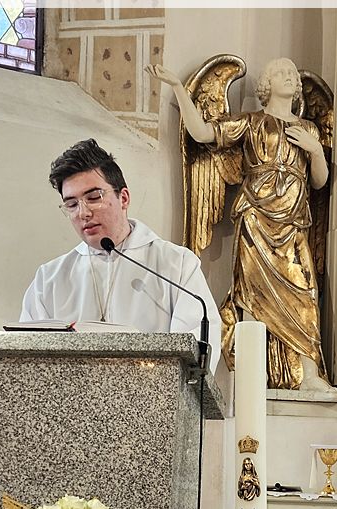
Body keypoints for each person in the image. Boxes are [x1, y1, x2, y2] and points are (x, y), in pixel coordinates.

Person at [147, 59, 337, 396]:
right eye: (281, 73)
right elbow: (202, 134)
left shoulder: (309, 130)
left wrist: (315, 151)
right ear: (266, 85)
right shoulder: (251, 122)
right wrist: (177, 87)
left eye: (292, 75)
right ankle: (252, 374)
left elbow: (320, 182)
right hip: (256, 218)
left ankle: (309, 375)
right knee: (252, 297)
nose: (289, 78)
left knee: (306, 293)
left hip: (293, 222)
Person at [20, 138, 222, 373]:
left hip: (151, 395)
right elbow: (26, 360)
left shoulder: (176, 265)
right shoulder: (49, 280)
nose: (83, 213)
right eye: (72, 204)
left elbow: (195, 353)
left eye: (93, 198)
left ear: (123, 198)